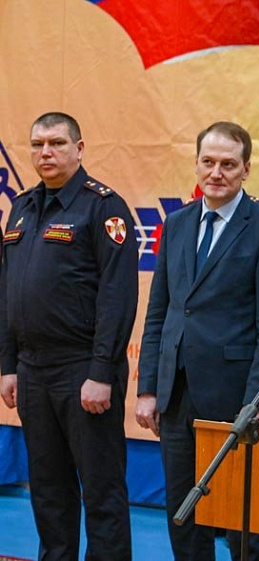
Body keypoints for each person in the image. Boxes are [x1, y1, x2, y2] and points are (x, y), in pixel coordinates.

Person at [135, 122, 259, 561]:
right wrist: (148, 387)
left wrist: (257, 402)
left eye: (228, 164)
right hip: (176, 395)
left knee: (244, 525)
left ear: (246, 169)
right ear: (196, 165)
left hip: (235, 400)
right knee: (183, 517)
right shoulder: (176, 225)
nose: (217, 172)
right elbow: (160, 312)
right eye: (208, 162)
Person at [0, 112, 138, 560]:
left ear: (79, 149)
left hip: (83, 370)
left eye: (57, 143)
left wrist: (101, 371)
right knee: (48, 490)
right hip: (32, 370)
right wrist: (8, 365)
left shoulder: (103, 207)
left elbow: (117, 296)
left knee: (101, 491)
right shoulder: (22, 207)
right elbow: (8, 291)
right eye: (37, 144)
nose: (46, 153)